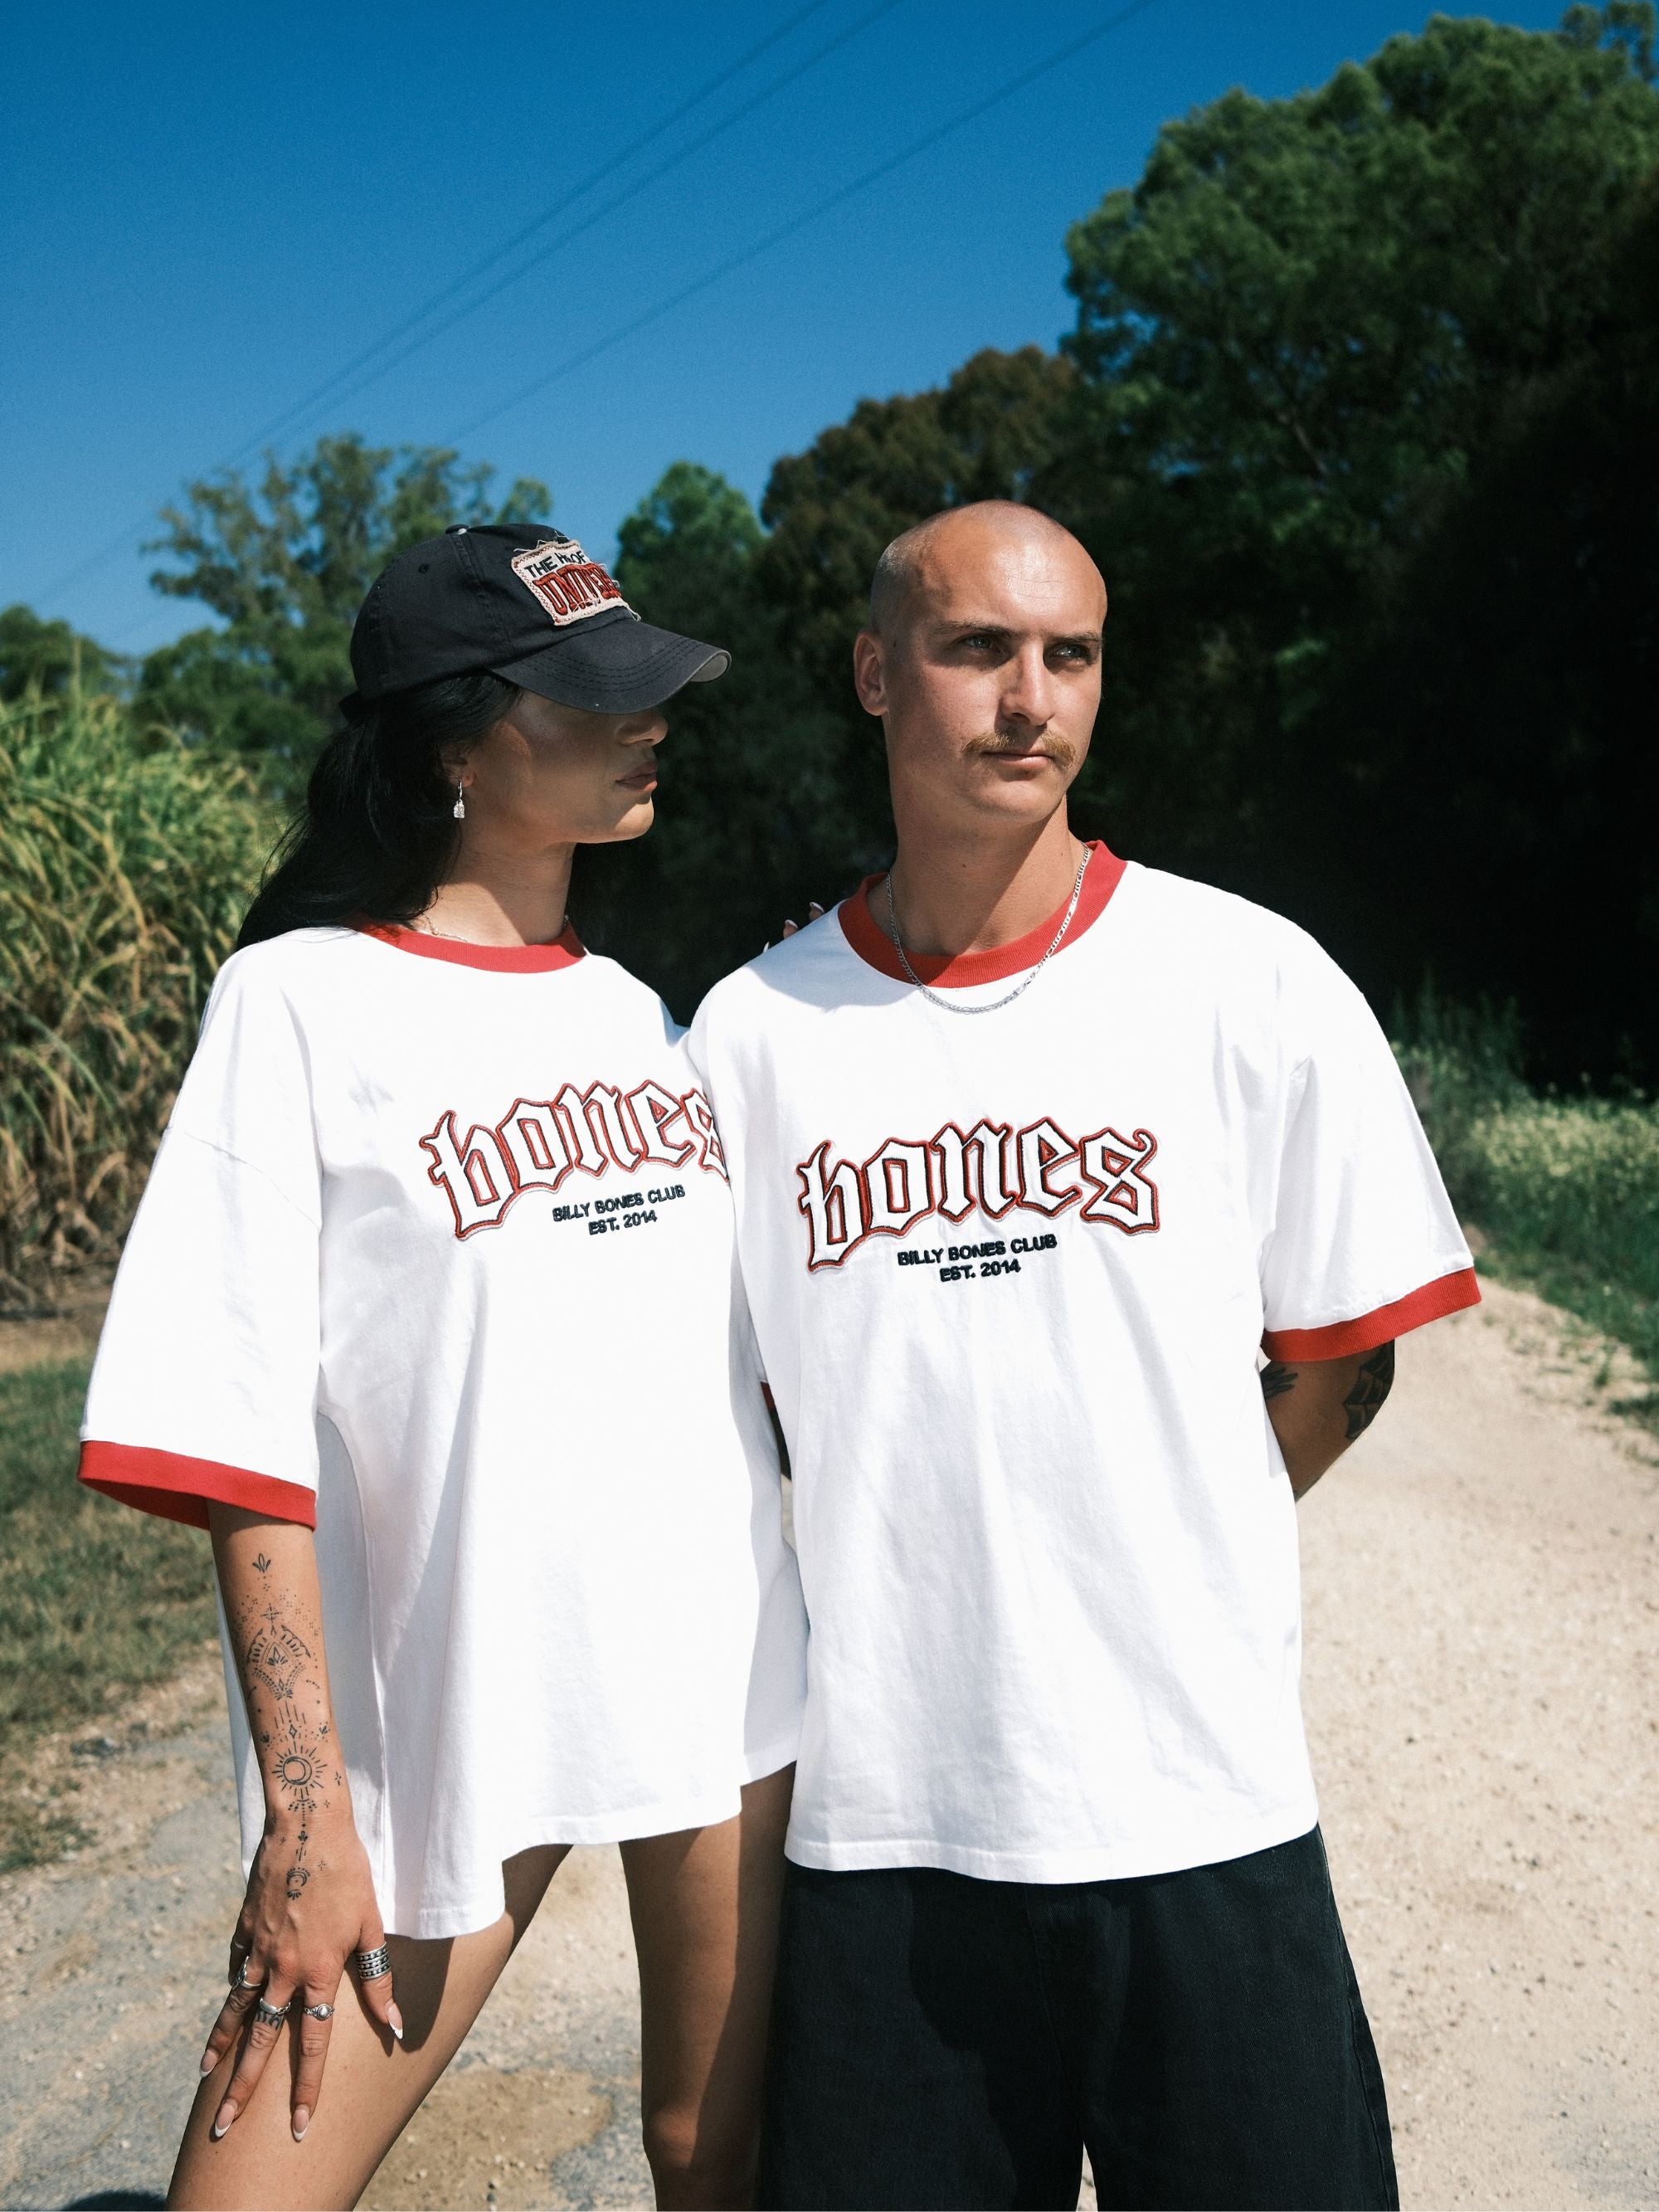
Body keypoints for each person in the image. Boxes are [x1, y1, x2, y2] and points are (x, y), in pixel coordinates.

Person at [688, 500, 1481, 2211]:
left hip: (1200, 1808)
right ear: (875, 674)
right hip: (885, 1833)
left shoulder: (1246, 981)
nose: (1029, 698)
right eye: (979, 649)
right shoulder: (748, 1039)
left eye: (1071, 655)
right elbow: (726, 1438)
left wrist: (1171, 1517)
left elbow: (1342, 1357)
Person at [77, 522, 805, 2212]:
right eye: (590, 695)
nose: (650, 720)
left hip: (725, 1672)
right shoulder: (297, 1006)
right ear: (455, 745)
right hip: (465, 1702)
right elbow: (234, 1434)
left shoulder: (641, 1013)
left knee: (713, 2157)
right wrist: (307, 1813)